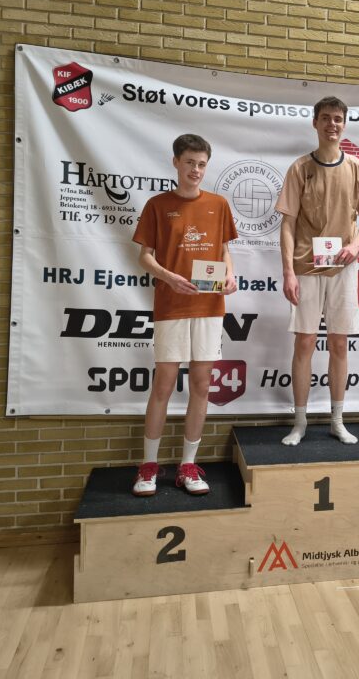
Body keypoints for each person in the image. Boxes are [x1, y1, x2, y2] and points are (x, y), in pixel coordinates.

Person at [130, 134, 238, 497]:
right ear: (176, 162)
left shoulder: (219, 204)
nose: (196, 170)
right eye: (190, 162)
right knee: (163, 384)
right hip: (171, 305)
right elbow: (145, 257)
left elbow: (224, 252)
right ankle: (148, 465)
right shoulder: (158, 205)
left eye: (202, 164)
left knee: (201, 386)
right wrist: (168, 277)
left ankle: (188, 465)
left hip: (209, 307)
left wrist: (230, 275)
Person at [275, 96, 359, 446]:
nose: (331, 124)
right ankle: (299, 423)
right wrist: (288, 271)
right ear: (315, 123)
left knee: (339, 343)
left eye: (337, 118)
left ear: (343, 124)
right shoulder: (299, 168)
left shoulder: (356, 168)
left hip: (342, 268)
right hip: (306, 266)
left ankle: (337, 420)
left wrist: (356, 245)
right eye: (325, 118)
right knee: (304, 342)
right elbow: (287, 224)